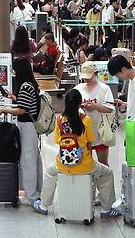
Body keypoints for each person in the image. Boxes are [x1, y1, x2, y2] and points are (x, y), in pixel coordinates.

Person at [30, 89, 122, 218]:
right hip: (85, 166)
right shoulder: (86, 121)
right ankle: (106, 209)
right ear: (80, 104)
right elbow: (90, 142)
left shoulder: (59, 120)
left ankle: (44, 205)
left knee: (50, 173)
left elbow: (57, 141)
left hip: (63, 165)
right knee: (107, 174)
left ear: (65, 103)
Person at [0, 57, 43, 206]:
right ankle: (35, 190)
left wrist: (4, 109)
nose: (13, 72)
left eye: (14, 69)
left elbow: (22, 110)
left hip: (27, 127)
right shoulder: (30, 84)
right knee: (33, 159)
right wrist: (13, 97)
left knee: (28, 160)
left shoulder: (25, 86)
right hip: (30, 127)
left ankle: (32, 195)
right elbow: (25, 104)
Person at [74, 62, 115, 166]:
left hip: (100, 132)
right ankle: (89, 182)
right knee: (86, 164)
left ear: (96, 73)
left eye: (89, 77)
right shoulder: (78, 89)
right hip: (84, 133)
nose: (86, 79)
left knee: (103, 164)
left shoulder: (104, 88)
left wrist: (95, 106)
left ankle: (104, 182)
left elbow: (110, 109)